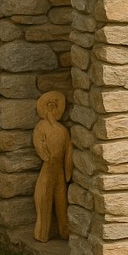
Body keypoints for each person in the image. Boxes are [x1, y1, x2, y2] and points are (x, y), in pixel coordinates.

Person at [32, 91, 73, 243]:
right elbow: (39, 142)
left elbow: (68, 149)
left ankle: (64, 230)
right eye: (49, 105)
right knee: (43, 198)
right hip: (48, 166)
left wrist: (68, 169)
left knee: (61, 199)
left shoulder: (62, 130)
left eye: (54, 106)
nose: (51, 108)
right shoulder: (41, 126)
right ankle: (42, 233)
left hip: (59, 168)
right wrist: (45, 155)